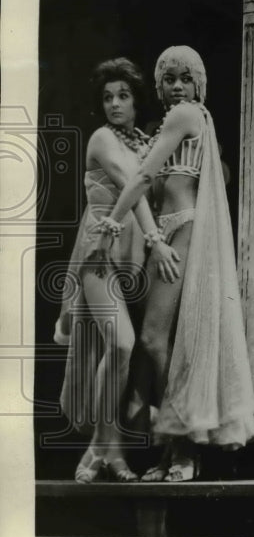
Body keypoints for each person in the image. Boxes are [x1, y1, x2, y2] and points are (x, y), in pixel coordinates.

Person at [96, 46, 254, 481]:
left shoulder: (187, 115)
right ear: (159, 84)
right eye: (169, 79)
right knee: (163, 342)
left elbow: (145, 176)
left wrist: (110, 224)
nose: (178, 86)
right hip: (163, 233)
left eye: (186, 78)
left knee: (152, 340)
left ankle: (184, 448)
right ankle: (171, 452)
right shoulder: (176, 122)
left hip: (182, 229)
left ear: (198, 83)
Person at [56, 58, 182, 482]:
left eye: (123, 96)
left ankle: (113, 452)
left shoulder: (143, 140)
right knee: (123, 345)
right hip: (99, 255)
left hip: (131, 261)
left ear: (135, 100)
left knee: (128, 360)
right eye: (108, 97)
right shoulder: (101, 140)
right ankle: (98, 447)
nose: (114, 104)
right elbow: (138, 184)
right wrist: (156, 239)